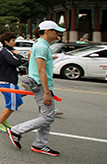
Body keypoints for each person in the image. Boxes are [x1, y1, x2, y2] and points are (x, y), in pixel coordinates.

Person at [7, 21, 65, 156]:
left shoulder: (39, 44)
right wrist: (46, 92)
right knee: (48, 117)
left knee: (46, 116)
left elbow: (30, 57)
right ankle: (17, 130)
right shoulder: (42, 47)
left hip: (40, 83)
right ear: (47, 31)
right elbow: (41, 70)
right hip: (41, 85)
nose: (58, 34)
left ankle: (40, 144)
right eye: (55, 31)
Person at [0, 32, 25, 133]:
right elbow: (16, 62)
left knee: (18, 102)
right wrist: (18, 55)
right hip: (6, 81)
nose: (14, 43)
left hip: (10, 80)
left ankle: (2, 119)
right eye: (13, 41)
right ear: (6, 41)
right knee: (11, 105)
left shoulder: (8, 51)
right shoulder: (6, 51)